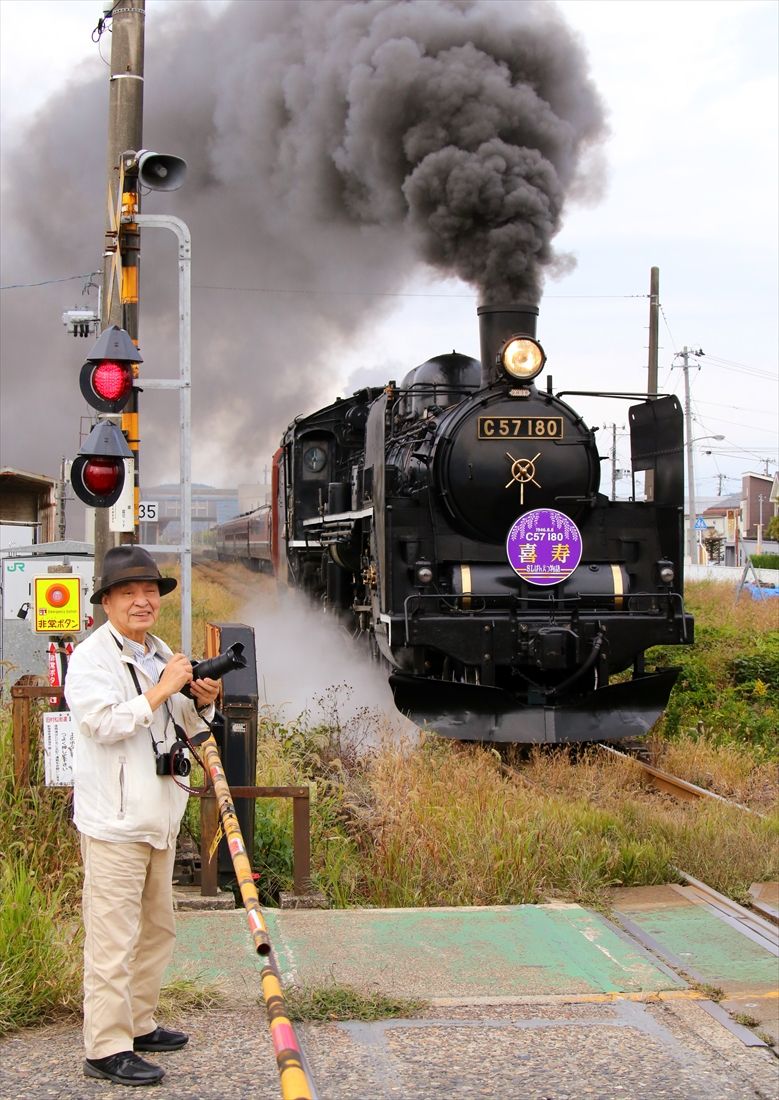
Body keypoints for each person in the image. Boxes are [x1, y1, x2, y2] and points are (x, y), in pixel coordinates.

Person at [64, 546, 221, 1087]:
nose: (142, 601)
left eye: (150, 591)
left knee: (157, 931)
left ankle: (138, 1022)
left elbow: (185, 722)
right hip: (114, 823)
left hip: (159, 819)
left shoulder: (161, 652)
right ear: (106, 602)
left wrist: (203, 699)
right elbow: (103, 723)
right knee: (112, 940)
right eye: (128, 592)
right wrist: (163, 689)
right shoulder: (91, 659)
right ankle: (106, 1047)